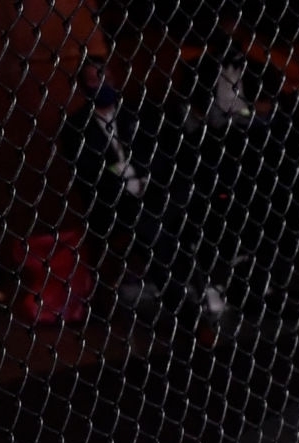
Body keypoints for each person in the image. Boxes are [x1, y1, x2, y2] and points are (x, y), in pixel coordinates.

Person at [60, 60, 228, 319]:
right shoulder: (75, 127)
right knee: (151, 223)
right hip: (117, 203)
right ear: (83, 86)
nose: (102, 83)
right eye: (94, 79)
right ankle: (184, 298)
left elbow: (163, 155)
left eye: (105, 76)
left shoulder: (141, 114)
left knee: (175, 206)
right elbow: (88, 175)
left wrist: (142, 175)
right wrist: (123, 179)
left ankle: (194, 289)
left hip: (155, 192)